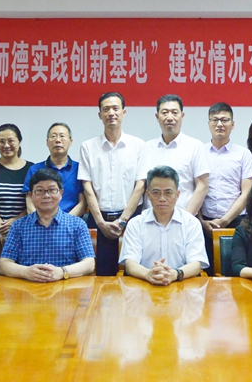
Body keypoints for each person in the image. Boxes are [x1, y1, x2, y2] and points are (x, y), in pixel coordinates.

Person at [79, 92, 148, 276]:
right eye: (106, 109)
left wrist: (123, 221)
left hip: (132, 220)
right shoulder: (88, 147)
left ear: (123, 112)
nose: (111, 113)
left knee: (133, 274)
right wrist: (100, 223)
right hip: (98, 219)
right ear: (100, 115)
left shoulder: (138, 145)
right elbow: (87, 187)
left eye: (115, 108)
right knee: (101, 275)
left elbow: (140, 186)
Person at [0, 169, 94, 281]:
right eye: (39, 191)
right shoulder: (18, 226)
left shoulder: (77, 225)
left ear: (61, 193)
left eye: (52, 190)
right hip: (28, 286)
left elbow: (89, 263)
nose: (46, 195)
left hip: (66, 286)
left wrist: (62, 272)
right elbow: (4, 264)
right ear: (31, 195)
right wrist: (25, 272)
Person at [120, 166, 207, 285]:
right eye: (156, 193)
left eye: (168, 192)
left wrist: (174, 274)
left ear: (177, 195)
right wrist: (148, 274)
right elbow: (130, 263)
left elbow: (196, 263)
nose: (162, 199)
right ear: (148, 195)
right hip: (144, 285)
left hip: (181, 285)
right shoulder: (135, 224)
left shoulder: (191, 223)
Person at [200, 102, 252, 272]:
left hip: (237, 222)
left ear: (232, 124)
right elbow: (194, 189)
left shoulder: (243, 154)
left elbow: (246, 193)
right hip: (204, 223)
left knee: (236, 270)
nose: (219, 124)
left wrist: (225, 220)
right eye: (215, 120)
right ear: (208, 123)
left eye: (224, 120)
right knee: (206, 272)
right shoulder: (198, 152)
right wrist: (201, 220)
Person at [144, 94, 210, 215]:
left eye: (174, 113)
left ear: (182, 116)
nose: (170, 117)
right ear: (157, 116)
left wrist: (186, 219)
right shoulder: (146, 148)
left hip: (185, 218)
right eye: (165, 113)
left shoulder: (195, 146)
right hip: (150, 219)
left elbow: (202, 186)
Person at [22, 123, 85, 217]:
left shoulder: (80, 169)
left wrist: (66, 222)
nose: (58, 140)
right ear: (47, 142)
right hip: (40, 222)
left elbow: (82, 203)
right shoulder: (34, 169)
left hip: (71, 222)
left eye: (62, 136)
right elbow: (30, 201)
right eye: (53, 136)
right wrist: (41, 221)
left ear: (70, 142)